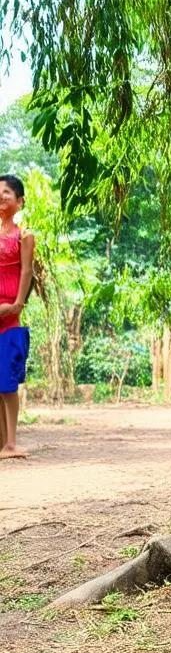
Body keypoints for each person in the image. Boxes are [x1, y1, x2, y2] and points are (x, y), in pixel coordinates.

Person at [0, 175, 34, 459]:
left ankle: (10, 444)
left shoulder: (23, 235)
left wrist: (18, 303)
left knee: (7, 383)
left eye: (6, 192)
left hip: (9, 317)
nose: (1, 196)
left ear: (19, 201)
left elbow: (26, 271)